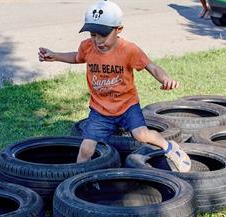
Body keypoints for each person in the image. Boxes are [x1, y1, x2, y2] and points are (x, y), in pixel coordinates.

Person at [38, 0, 191, 172]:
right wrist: (55, 55)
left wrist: (165, 79)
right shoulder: (87, 47)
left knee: (141, 135)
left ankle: (170, 147)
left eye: (103, 35)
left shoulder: (129, 50)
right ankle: (77, 180)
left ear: (118, 30)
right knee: (86, 149)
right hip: (100, 109)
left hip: (127, 105)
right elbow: (77, 57)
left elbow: (151, 66)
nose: (98, 40)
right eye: (93, 35)